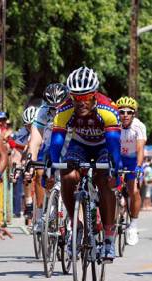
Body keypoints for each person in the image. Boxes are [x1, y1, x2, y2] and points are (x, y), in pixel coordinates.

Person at [49, 66, 121, 262]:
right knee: (68, 175)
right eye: (75, 97)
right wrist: (51, 165)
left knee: (104, 179)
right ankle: (77, 225)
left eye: (85, 97)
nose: (80, 102)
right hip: (79, 144)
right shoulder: (64, 109)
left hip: (104, 146)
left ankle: (108, 237)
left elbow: (114, 146)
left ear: (94, 95)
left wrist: (116, 169)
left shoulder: (108, 110)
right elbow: (56, 143)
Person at [26, 83, 69, 232]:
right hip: (51, 146)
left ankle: (76, 218)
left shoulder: (73, 109)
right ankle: (42, 213)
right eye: (53, 107)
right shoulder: (42, 111)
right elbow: (36, 139)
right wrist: (30, 160)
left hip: (70, 146)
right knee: (40, 175)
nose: (56, 110)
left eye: (60, 106)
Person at [115, 96, 147, 246]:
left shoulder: (139, 126)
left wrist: (139, 166)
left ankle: (133, 225)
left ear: (133, 114)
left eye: (129, 112)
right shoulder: (114, 124)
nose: (125, 115)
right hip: (119, 158)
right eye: (122, 112)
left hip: (133, 160)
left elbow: (140, 149)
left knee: (134, 190)